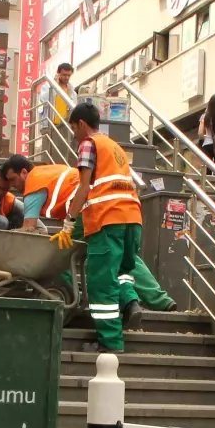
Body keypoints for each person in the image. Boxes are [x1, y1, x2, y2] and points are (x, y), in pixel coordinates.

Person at [0, 154, 176, 312]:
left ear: (23, 172)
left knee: (58, 257)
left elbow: (29, 228)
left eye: (13, 180)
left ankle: (69, 297)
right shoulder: (52, 170)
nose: (14, 187)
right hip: (107, 204)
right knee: (123, 256)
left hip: (85, 211)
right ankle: (160, 300)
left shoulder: (33, 181)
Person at [52, 102, 144, 352]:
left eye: (73, 128)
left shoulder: (88, 144)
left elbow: (84, 187)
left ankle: (111, 343)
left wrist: (68, 223)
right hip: (132, 218)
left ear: (81, 124)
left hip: (107, 219)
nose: (73, 135)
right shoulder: (115, 147)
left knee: (101, 282)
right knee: (122, 270)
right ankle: (131, 302)